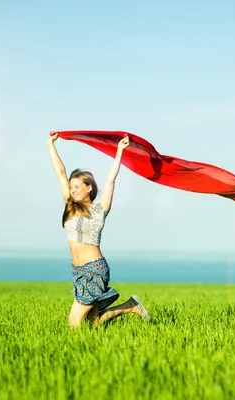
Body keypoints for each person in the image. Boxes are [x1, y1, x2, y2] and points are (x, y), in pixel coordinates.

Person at [47, 131, 151, 327]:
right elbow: (60, 172)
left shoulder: (99, 210)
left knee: (74, 322)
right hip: (77, 271)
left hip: (95, 270)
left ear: (89, 188)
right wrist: (51, 145)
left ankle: (73, 355)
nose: (73, 190)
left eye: (77, 186)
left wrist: (119, 151)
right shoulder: (70, 206)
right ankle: (130, 305)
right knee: (92, 322)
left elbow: (110, 180)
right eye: (71, 187)